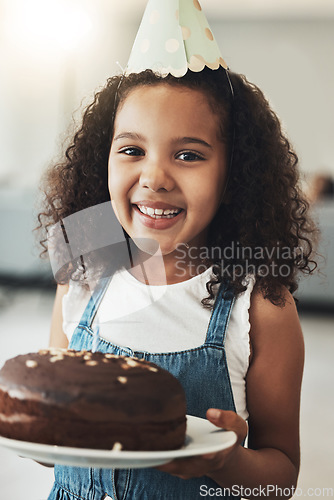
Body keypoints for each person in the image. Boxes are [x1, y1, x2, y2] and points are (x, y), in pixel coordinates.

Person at [37, 3, 316, 500]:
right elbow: (52, 438)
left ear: (235, 175)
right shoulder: (80, 268)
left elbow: (280, 480)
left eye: (188, 155)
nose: (154, 178)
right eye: (131, 150)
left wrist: (230, 462)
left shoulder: (262, 307)